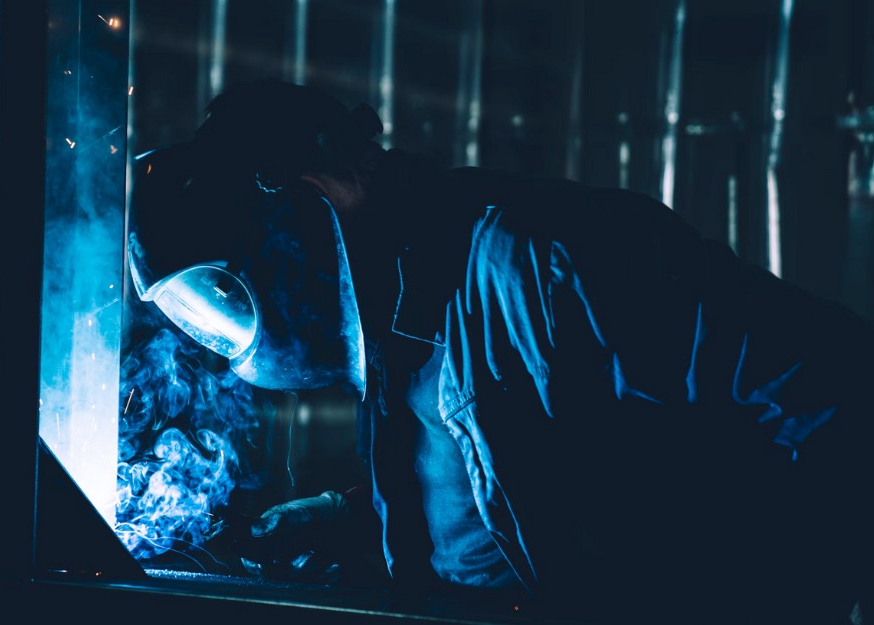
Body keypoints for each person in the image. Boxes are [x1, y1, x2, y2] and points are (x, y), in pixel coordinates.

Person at [126, 79, 873, 625]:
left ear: (310, 198)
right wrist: (345, 519)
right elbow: (522, 487)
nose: (225, 326)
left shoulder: (546, 263)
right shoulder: (391, 324)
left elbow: (838, 385)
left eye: (221, 294)